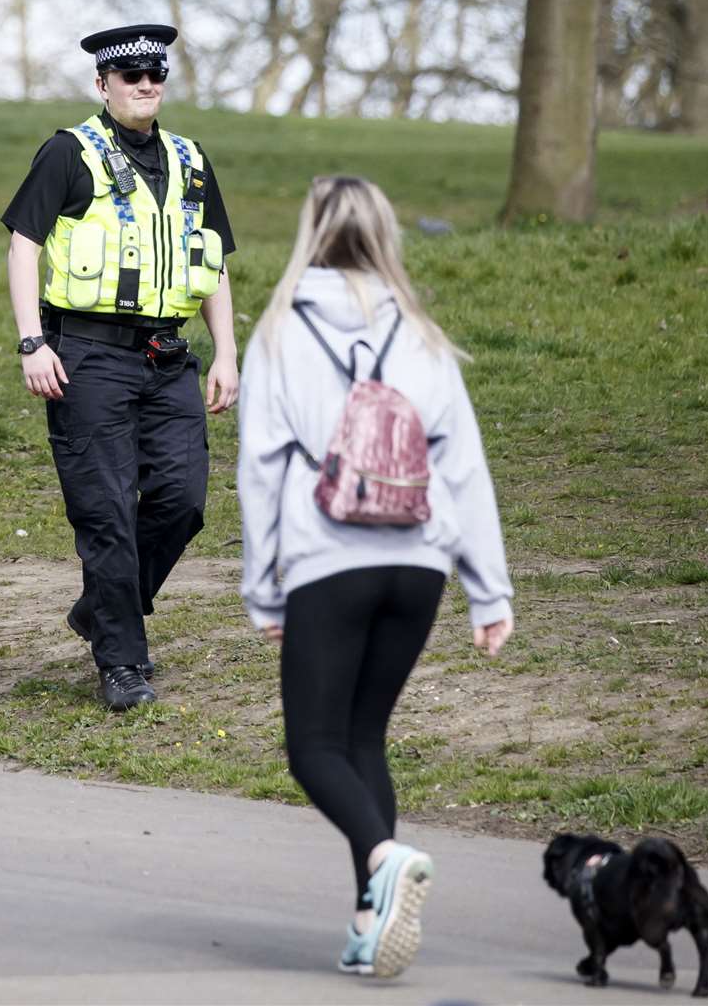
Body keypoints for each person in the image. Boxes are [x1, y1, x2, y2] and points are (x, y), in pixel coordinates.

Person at [237, 176, 514, 978]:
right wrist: (487, 590)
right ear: (386, 235)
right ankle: (370, 920)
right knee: (364, 737)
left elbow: (260, 469)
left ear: (310, 233)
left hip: (332, 561)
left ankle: (385, 858)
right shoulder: (422, 333)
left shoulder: (282, 332)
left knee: (312, 747)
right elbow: (463, 467)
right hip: (420, 563)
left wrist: (264, 587)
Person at [1, 23, 239, 711]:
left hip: (168, 359)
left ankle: (104, 609)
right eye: (129, 76)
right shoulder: (68, 154)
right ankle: (123, 665)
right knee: (105, 512)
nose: (144, 85)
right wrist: (30, 342)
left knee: (183, 502)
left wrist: (226, 351)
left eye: (154, 74)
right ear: (102, 84)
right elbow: (23, 247)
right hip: (86, 356)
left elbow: (213, 259)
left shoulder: (192, 160)